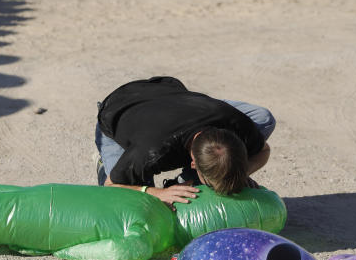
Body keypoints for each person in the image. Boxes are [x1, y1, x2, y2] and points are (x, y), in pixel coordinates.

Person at [94, 76, 275, 207]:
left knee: (262, 118)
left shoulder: (236, 124)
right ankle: (105, 165)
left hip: (171, 96)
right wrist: (157, 193)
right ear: (193, 164)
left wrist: (241, 173)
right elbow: (113, 186)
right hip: (117, 110)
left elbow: (263, 150)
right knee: (141, 205)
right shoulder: (153, 152)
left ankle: (187, 182)